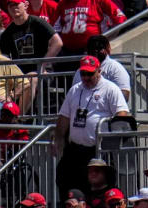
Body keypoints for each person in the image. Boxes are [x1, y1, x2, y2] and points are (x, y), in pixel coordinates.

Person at [54, 54, 126, 202]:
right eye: (83, 73)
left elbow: (122, 115)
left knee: (97, 190)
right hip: (75, 149)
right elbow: (64, 117)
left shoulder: (111, 89)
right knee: (64, 180)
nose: (86, 77)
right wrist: (58, 139)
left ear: (99, 71)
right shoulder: (75, 90)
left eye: (90, 74)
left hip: (98, 150)